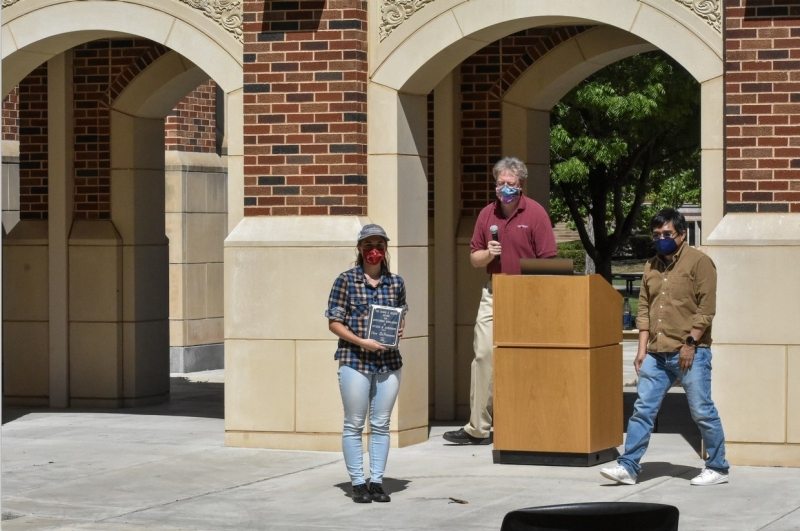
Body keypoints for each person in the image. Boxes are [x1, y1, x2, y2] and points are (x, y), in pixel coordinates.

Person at [600, 208, 730, 486]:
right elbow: (644, 308)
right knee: (643, 409)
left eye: (667, 234)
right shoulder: (651, 266)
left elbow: (706, 310)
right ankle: (629, 466)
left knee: (702, 410)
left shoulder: (700, 263)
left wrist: (690, 343)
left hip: (691, 351)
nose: (661, 238)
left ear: (682, 234)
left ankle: (717, 466)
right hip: (656, 354)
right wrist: (641, 349)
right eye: (657, 234)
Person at [443, 157, 557, 445]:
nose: (505, 189)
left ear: (521, 186)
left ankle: (528, 422)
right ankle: (477, 428)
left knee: (527, 360)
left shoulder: (535, 213)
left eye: (511, 184)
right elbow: (474, 258)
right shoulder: (486, 215)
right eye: (500, 184)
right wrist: (490, 253)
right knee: (483, 356)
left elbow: (549, 261)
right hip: (494, 291)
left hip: (528, 295)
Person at [325, 224, 407, 503]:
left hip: (388, 362)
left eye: (379, 245)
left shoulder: (396, 282)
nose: (374, 250)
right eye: (368, 245)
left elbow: (400, 313)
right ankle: (358, 482)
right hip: (354, 360)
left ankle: (377, 482)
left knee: (382, 424)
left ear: (386, 250)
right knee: (354, 423)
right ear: (359, 249)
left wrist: (398, 329)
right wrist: (363, 342)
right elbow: (334, 322)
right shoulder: (345, 281)